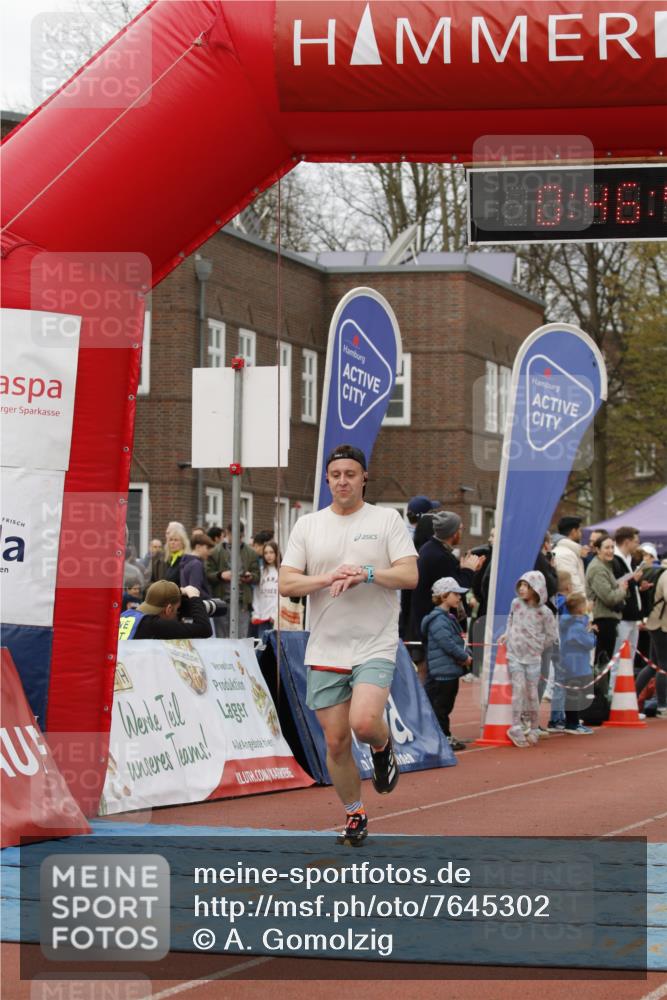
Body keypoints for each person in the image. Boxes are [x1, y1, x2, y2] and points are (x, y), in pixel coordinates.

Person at [279, 444, 418, 847]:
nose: (343, 480)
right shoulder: (308, 525)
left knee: (362, 722)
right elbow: (288, 584)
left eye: (350, 474)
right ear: (327, 480)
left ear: (364, 478)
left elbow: (409, 575)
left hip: (374, 642)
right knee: (337, 741)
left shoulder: (385, 519)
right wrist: (326, 578)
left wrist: (367, 574)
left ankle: (381, 743)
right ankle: (355, 813)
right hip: (325, 647)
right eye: (336, 474)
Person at [407, 511, 482, 675]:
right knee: (435, 679)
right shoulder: (439, 556)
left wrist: (464, 569)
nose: (461, 533)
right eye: (460, 529)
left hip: (428, 622)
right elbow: (454, 589)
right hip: (435, 625)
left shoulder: (433, 550)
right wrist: (468, 571)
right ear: (453, 533)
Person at [502, 571, 558, 748]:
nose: (522, 589)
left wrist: (538, 646)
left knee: (532, 693)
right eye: (521, 585)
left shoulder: (545, 612)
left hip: (533, 657)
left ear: (536, 589)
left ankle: (534, 727)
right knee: (518, 690)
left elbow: (551, 635)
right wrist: (507, 634)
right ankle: (516, 725)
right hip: (514, 655)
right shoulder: (515, 604)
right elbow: (510, 619)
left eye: (526, 586)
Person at [421, 577, 472, 752]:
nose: (459, 598)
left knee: (444, 705)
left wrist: (465, 654)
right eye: (455, 594)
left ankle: (442, 735)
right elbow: (448, 644)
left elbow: (456, 641)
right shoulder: (439, 620)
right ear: (443, 596)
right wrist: (464, 657)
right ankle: (442, 736)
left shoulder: (447, 618)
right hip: (442, 672)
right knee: (441, 706)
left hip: (448, 670)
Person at [206, 520, 260, 637]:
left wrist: (250, 577)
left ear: (243, 535)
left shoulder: (251, 553)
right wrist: (220, 575)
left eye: (239, 536)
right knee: (222, 639)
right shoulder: (215, 552)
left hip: (242, 604)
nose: (236, 539)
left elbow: (257, 576)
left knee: (241, 640)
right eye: (233, 535)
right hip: (221, 603)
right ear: (227, 533)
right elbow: (208, 574)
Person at [585, 534, 629, 672]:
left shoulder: (605, 565)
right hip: (602, 620)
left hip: (607, 619)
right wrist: (622, 589)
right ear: (597, 550)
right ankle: (599, 693)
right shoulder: (598, 568)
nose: (610, 551)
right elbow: (609, 597)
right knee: (602, 663)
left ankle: (601, 692)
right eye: (606, 548)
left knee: (605, 662)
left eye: (612, 547)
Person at [118, 581, 213, 640]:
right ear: (169, 609)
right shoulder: (155, 625)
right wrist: (194, 597)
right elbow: (204, 629)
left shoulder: (126, 615)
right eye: (177, 609)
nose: (178, 612)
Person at [558, 593, 596, 735]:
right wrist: (592, 633)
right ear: (580, 608)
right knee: (574, 694)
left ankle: (572, 721)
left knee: (572, 693)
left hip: (572, 663)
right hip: (576, 665)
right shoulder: (576, 626)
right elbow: (588, 643)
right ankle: (572, 723)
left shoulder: (572, 623)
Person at [611, 526, 645, 671]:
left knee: (629, 659)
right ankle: (613, 692)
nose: (637, 545)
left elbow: (630, 586)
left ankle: (627, 692)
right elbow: (616, 584)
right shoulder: (614, 560)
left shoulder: (630, 559)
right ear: (627, 541)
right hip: (621, 615)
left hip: (633, 614)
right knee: (618, 658)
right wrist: (632, 580)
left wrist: (639, 585)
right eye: (636, 541)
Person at [635, 565, 667, 716]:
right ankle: (662, 705)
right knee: (663, 665)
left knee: (653, 665)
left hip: (656, 623)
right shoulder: (666, 576)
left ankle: (632, 698)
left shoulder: (662, 573)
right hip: (662, 625)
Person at [250, 541, 280, 638]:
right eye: (266, 553)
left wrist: (276, 614)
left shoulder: (281, 572)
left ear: (276, 553)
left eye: (271, 552)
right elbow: (257, 594)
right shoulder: (261, 571)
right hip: (262, 618)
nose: (268, 555)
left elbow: (284, 596)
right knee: (262, 649)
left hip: (277, 619)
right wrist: (256, 614)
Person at [552, 516, 586, 595]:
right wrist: (585, 605)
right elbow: (574, 586)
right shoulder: (564, 554)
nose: (581, 534)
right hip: (575, 604)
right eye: (579, 531)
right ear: (574, 532)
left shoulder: (569, 552)